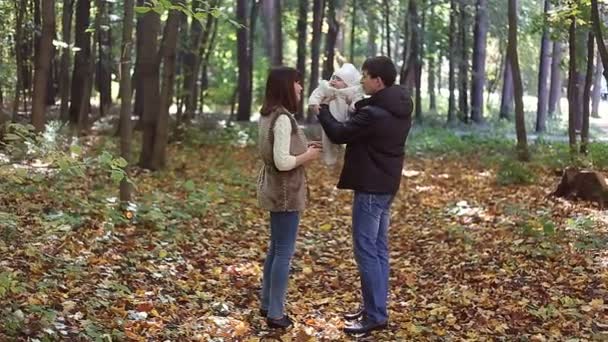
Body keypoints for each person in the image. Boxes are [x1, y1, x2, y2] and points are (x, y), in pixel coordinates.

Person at [316, 56, 413, 335]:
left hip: (371, 188)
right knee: (379, 250)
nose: (361, 81)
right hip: (386, 185)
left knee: (367, 251)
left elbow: (338, 133)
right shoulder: (397, 106)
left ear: (378, 81)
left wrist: (322, 110)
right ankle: (375, 308)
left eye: (365, 76)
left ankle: (374, 315)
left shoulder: (373, 115)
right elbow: (365, 107)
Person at [256, 66, 322, 329]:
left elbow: (279, 152)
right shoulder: (282, 118)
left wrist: (305, 149)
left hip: (276, 189)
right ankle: (276, 313)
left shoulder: (268, 114)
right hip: (285, 192)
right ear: (286, 85)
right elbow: (283, 162)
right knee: (283, 252)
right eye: (297, 82)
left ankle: (267, 303)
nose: (301, 88)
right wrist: (308, 156)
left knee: (276, 249)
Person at [308, 63, 365, 166]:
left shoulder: (352, 92)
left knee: (343, 139)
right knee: (327, 139)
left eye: (338, 80)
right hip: (330, 118)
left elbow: (357, 100)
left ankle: (341, 159)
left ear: (347, 84)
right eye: (333, 77)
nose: (333, 81)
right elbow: (316, 94)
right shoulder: (326, 88)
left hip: (345, 120)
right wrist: (314, 103)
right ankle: (329, 160)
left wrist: (353, 105)